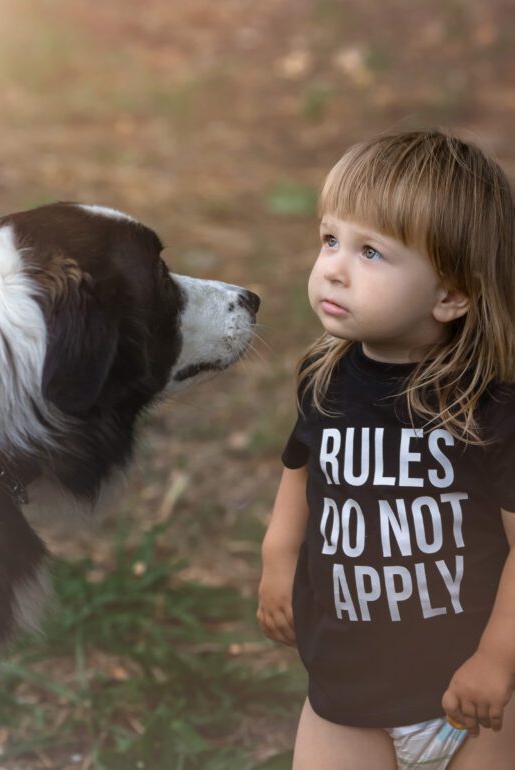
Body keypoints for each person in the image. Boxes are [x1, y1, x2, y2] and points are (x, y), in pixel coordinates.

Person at [257, 130, 515, 770]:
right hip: (345, 692)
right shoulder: (325, 378)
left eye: (371, 252)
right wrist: (277, 555)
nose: (334, 266)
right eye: (330, 239)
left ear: (450, 295)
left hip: (468, 697)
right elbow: (302, 472)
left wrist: (497, 659)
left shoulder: (485, 407)